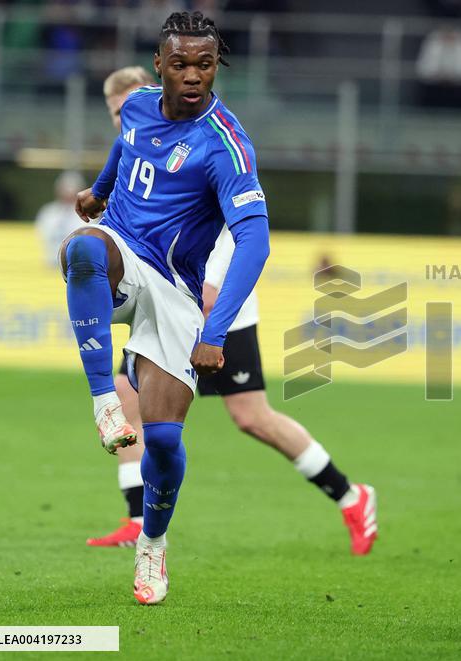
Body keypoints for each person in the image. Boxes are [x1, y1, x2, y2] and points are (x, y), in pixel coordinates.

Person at [87, 66, 378, 563]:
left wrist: (212, 298)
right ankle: (139, 521)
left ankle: (351, 496)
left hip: (218, 303)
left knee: (251, 417)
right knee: (127, 398)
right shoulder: (140, 149)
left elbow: (230, 232)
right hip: (166, 297)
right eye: (113, 115)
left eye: (122, 112)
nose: (120, 123)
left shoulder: (207, 140)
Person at [36, 171, 85, 267]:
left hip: (75, 267)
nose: (68, 194)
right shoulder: (48, 212)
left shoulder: (88, 214)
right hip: (50, 263)